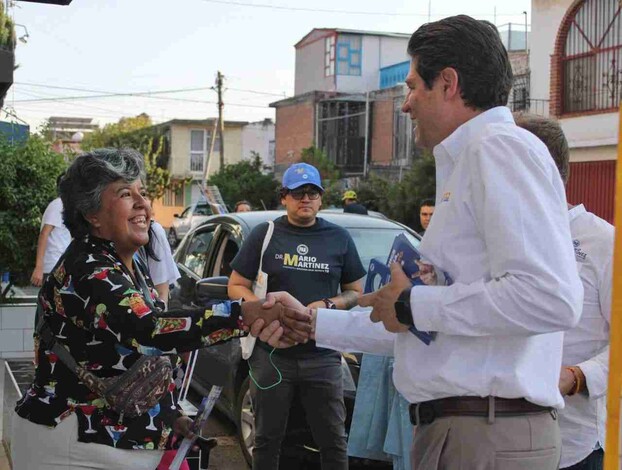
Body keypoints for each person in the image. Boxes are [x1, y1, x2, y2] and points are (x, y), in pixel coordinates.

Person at [256, 15, 583, 470]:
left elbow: (551, 298)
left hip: (486, 434)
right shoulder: (469, 160)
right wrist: (313, 325)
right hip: (466, 431)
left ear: (448, 83)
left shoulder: (499, 149)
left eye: (412, 87)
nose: (405, 104)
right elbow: (425, 329)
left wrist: (414, 304)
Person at [11, 148, 311, 470]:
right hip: (73, 443)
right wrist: (244, 314)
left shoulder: (130, 264)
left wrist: (169, 417)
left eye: (143, 192)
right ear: (91, 214)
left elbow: (128, 360)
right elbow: (149, 328)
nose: (143, 203)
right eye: (126, 194)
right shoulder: (88, 267)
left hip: (111, 443)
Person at [228, 162, 366, 470]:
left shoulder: (338, 238)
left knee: (333, 440)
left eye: (312, 193)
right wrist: (259, 308)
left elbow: (356, 291)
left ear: (320, 198)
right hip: (272, 355)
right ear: (284, 197)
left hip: (323, 355)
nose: (305, 198)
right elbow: (236, 285)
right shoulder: (266, 234)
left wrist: (328, 305)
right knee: (267, 439)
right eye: (298, 193)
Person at [515, 113, 610, 470]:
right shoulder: (498, 239)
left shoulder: (603, 242)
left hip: (576, 447)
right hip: (505, 440)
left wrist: (578, 376)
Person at [30, 173, 72, 287]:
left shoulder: (65, 205)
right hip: (53, 266)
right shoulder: (58, 204)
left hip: (60, 266)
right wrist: (39, 267)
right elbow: (44, 234)